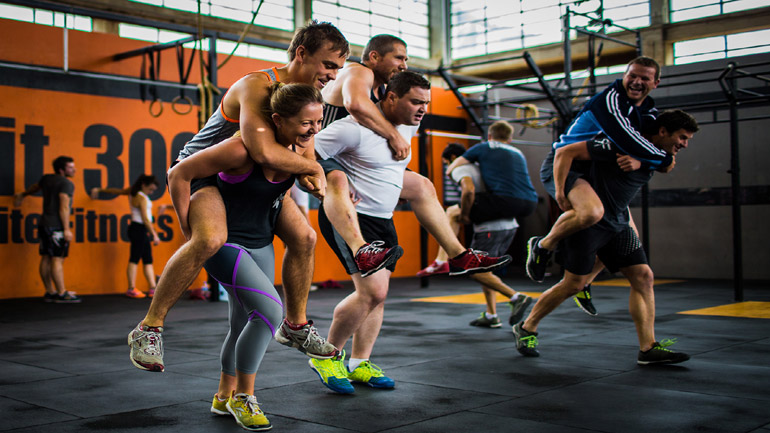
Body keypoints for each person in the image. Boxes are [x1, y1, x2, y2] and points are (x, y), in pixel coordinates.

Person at [128, 20, 349, 373]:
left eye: (338, 68)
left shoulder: (305, 99)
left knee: (305, 237)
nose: (333, 75)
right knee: (210, 238)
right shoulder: (256, 86)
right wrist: (317, 171)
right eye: (328, 65)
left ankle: (295, 326)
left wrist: (311, 172)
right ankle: (149, 327)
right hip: (206, 173)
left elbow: (301, 155)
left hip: (251, 183)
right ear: (302, 53)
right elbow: (262, 152)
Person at [167, 83, 323, 431]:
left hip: (261, 243)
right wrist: (188, 229)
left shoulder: (297, 153)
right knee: (270, 312)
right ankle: (244, 397)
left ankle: (223, 396)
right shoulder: (239, 150)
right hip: (227, 245)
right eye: (305, 124)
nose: (313, 131)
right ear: (278, 119)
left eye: (318, 122)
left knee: (241, 323)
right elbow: (179, 173)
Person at [513, 109, 699, 365]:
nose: (684, 144)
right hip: (591, 223)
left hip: (619, 222)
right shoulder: (619, 143)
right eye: (681, 137)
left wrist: (642, 164)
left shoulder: (660, 156)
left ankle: (648, 348)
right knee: (573, 285)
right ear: (663, 132)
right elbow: (566, 152)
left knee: (644, 276)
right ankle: (527, 326)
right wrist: (561, 193)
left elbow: (664, 165)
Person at [320, 34, 510, 278]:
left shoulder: (380, 89)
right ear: (374, 57)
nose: (404, 65)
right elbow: (355, 105)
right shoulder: (360, 72)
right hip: (321, 154)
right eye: (398, 58)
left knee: (421, 186)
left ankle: (458, 254)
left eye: (406, 59)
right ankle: (360, 249)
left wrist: (391, 184)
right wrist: (393, 135)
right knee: (337, 181)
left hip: (349, 158)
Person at [526, 57, 673, 293]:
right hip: (566, 163)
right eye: (632, 75)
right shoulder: (610, 100)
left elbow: (655, 141)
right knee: (591, 212)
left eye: (644, 78)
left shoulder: (647, 110)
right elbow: (628, 139)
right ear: (624, 76)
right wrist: (663, 159)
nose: (636, 82)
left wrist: (649, 158)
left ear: (655, 83)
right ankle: (543, 245)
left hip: (594, 171)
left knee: (621, 228)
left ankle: (585, 281)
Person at [420, 120, 538, 276]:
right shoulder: (517, 152)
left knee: (452, 212)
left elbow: (455, 170)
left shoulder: (484, 147)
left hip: (505, 202)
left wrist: (465, 215)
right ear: (510, 139)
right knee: (486, 270)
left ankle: (442, 260)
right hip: (530, 203)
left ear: (489, 136)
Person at [14, 156, 80, 303]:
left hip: (44, 224)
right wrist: (66, 229)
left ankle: (50, 291)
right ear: (62, 170)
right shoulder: (66, 184)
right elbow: (63, 207)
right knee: (57, 259)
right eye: (70, 167)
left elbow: (34, 187)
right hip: (56, 226)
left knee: (45, 257)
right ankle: (62, 293)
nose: (74, 169)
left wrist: (22, 194)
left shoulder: (47, 179)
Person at [91, 175, 167, 299]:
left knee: (148, 258)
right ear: (143, 185)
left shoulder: (133, 192)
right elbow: (145, 219)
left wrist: (99, 190)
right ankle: (131, 288)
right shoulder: (140, 197)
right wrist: (154, 234)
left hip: (141, 229)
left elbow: (116, 191)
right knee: (135, 258)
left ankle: (153, 288)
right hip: (138, 228)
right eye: (150, 189)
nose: (151, 192)